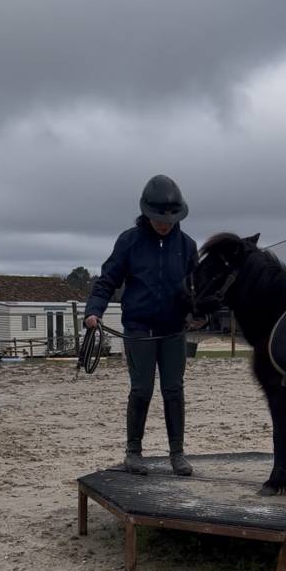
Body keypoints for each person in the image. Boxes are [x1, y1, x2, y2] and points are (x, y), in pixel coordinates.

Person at [84, 174, 198, 476]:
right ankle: (133, 452)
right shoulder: (129, 242)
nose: (165, 224)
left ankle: (177, 453)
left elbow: (196, 289)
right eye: (160, 218)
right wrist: (94, 310)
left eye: (170, 219)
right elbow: (107, 280)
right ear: (147, 213)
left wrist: (200, 314)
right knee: (142, 388)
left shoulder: (187, 246)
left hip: (173, 330)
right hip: (138, 329)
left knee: (173, 389)